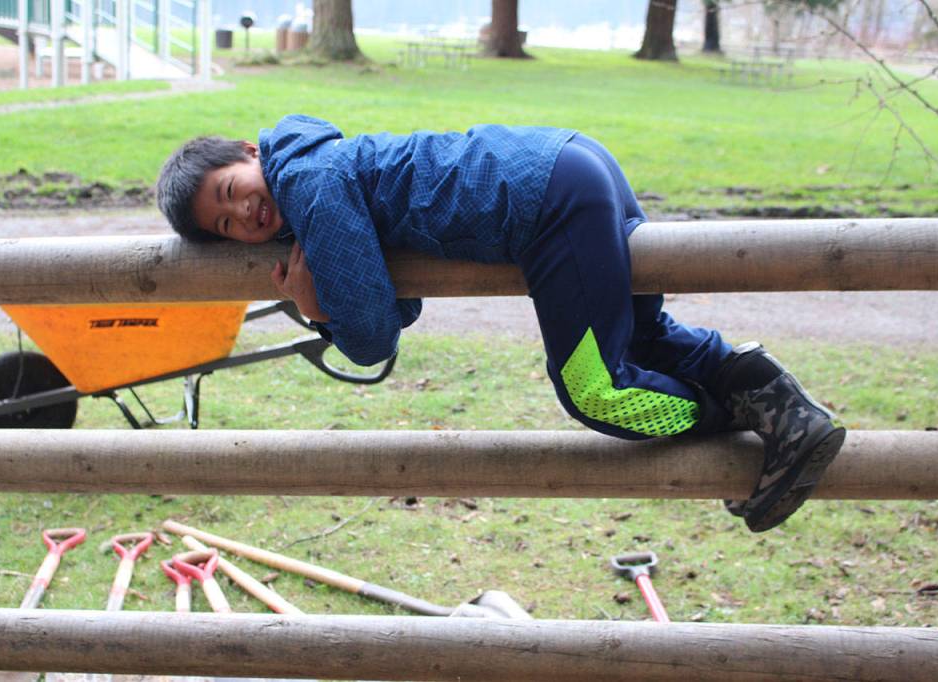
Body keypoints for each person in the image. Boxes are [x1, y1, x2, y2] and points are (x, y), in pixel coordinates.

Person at [156, 114, 845, 532]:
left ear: (250, 153)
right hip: (571, 161)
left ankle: (753, 409)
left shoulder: (306, 180)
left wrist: (318, 311)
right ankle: (775, 401)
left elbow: (373, 337)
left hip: (548, 203)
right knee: (643, 342)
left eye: (229, 192)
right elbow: (403, 305)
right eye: (223, 225)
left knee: (596, 390)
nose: (241, 214)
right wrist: (342, 297)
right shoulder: (322, 169)